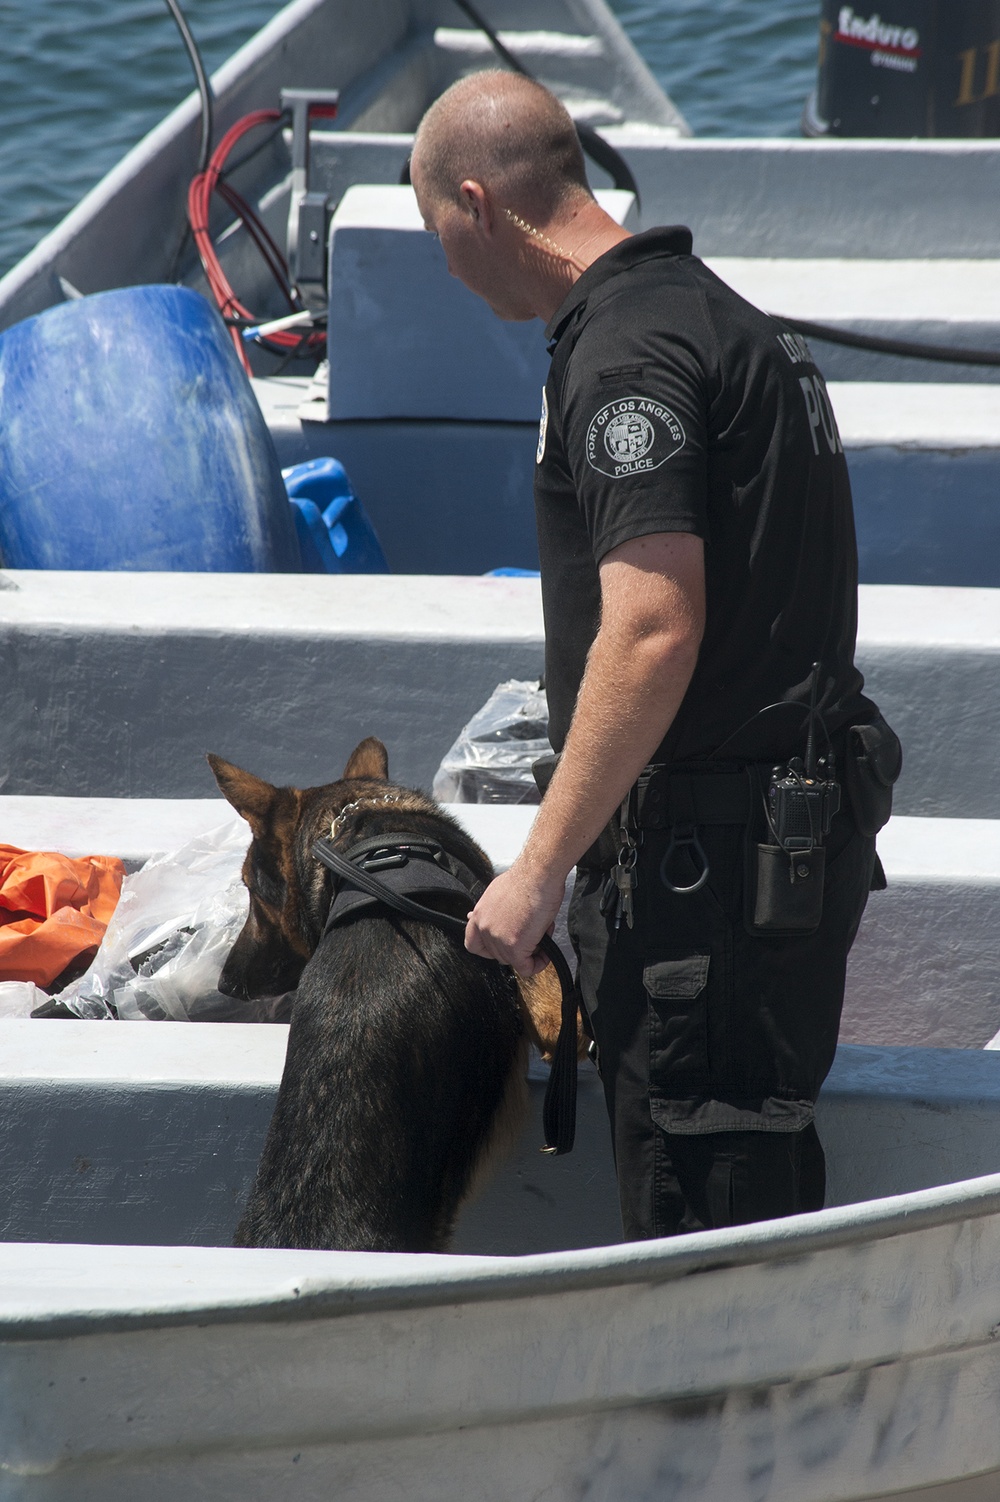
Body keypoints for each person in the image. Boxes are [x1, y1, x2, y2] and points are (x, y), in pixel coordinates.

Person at [410, 71, 898, 1239]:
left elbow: (653, 624)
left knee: (705, 1231)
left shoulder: (621, 354)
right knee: (751, 1187)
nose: (444, 263)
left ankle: (722, 1424)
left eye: (436, 231)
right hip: (762, 864)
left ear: (476, 203)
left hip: (706, 895)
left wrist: (533, 871)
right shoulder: (723, 318)